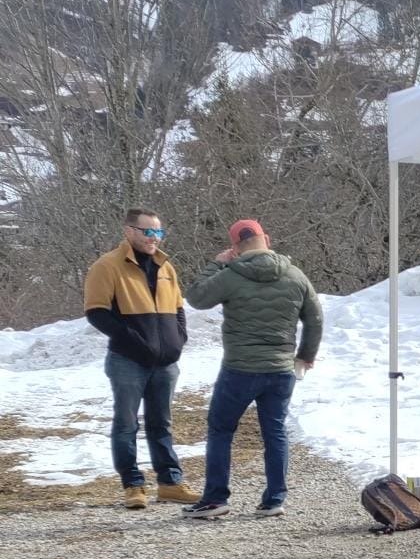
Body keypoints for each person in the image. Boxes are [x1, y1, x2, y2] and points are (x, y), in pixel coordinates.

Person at [181, 219, 323, 518]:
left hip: (240, 369)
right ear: (266, 239)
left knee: (221, 429)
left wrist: (216, 264)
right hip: (281, 369)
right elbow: (315, 318)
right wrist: (305, 355)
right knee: (275, 431)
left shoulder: (230, 275)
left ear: (234, 248)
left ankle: (216, 499)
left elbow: (196, 297)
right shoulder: (296, 276)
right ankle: (274, 499)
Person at [84, 208, 200, 509]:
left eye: (159, 232)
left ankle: (170, 483)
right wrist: (132, 341)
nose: (154, 238)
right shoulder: (107, 265)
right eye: (148, 231)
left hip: (165, 363)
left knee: (162, 423)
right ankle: (133, 485)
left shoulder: (166, 266)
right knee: (126, 424)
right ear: (129, 231)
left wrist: (179, 340)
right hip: (127, 362)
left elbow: (178, 309)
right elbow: (96, 312)